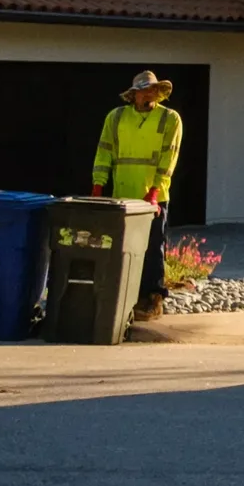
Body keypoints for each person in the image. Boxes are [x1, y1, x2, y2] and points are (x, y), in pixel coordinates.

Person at [91, 70, 182, 321]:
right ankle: (127, 296)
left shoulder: (170, 119)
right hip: (122, 195)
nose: (149, 93)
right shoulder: (117, 117)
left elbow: (168, 158)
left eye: (152, 89)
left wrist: (154, 190)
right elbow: (104, 151)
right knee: (124, 248)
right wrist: (99, 185)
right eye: (144, 90)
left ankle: (154, 298)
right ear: (133, 95)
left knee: (153, 247)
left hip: (153, 197)